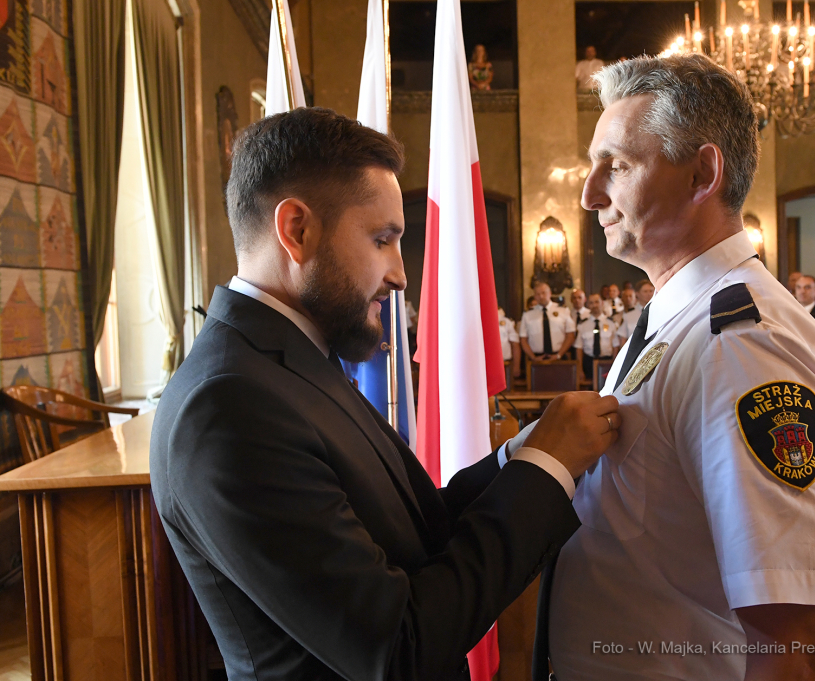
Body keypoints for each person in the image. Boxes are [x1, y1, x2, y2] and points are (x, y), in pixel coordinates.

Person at [149, 108, 623, 681]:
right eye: (382, 240)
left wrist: (521, 457)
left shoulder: (295, 360)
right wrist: (547, 468)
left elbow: (411, 530)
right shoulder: (227, 406)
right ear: (296, 230)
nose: (401, 274)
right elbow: (395, 648)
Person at [511, 53, 815, 681]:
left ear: (702, 173)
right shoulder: (678, 318)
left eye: (616, 165)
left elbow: (799, 643)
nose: (590, 194)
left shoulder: (745, 344)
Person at [519, 282, 577, 362]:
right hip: (537, 358)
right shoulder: (528, 315)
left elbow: (570, 335)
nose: (541, 296)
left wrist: (559, 355)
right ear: (535, 296)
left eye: (543, 293)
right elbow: (523, 339)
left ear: (550, 293)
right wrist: (533, 357)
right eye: (537, 294)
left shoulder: (563, 311)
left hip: (559, 356)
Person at [575, 293, 621, 381]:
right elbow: (579, 348)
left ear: (602, 303)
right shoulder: (582, 325)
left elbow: (615, 346)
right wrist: (580, 369)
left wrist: (615, 367)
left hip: (606, 362)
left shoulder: (611, 323)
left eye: (597, 302)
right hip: (588, 362)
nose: (594, 305)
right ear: (588, 305)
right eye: (591, 303)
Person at [498, 307, 522, 378]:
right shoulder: (477, 321)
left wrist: (516, 366)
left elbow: (515, 344)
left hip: (504, 364)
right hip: (483, 365)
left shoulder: (506, 322)